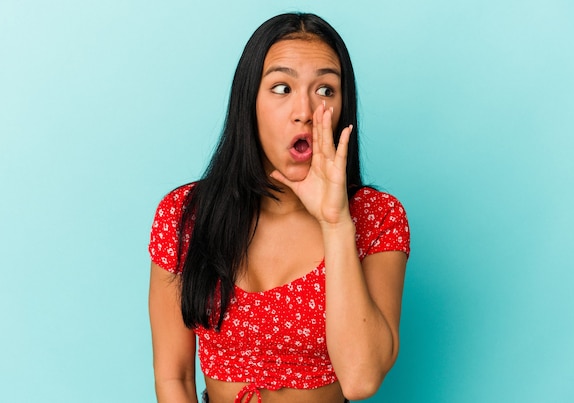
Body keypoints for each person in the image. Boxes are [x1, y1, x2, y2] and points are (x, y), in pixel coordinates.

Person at [148, 12, 410, 403]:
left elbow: (360, 380)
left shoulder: (377, 216)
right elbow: (174, 376)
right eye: (282, 87)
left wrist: (335, 222)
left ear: (343, 108)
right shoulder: (185, 214)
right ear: (249, 102)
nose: (304, 110)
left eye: (325, 90)